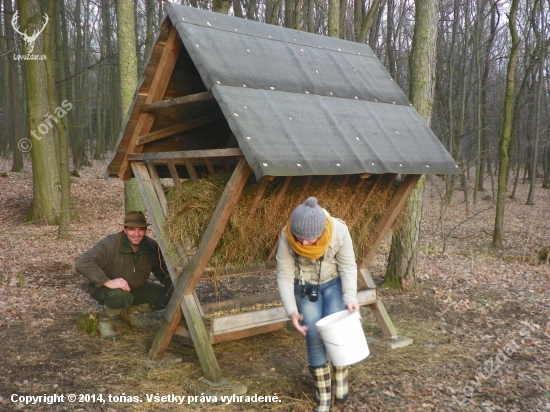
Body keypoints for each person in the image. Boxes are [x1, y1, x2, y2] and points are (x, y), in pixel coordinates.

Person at [276, 197, 359, 412]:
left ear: (321, 233)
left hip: (333, 283)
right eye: (299, 238)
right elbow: (284, 275)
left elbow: (349, 265)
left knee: (335, 332)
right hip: (305, 286)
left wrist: (350, 296)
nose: (303, 244)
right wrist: (291, 311)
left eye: (309, 239)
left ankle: (340, 376)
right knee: (312, 334)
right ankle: (323, 395)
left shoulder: (339, 231)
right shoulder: (286, 237)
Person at [76, 211, 173, 341]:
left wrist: (175, 288)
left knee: (169, 295)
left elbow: (163, 272)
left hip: (136, 288)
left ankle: (129, 313)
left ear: (146, 230)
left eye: (141, 230)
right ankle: (105, 322)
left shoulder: (151, 247)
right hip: (106, 289)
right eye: (132, 229)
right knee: (120, 295)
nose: (136, 234)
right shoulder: (110, 244)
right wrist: (107, 281)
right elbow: (82, 262)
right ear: (125, 229)